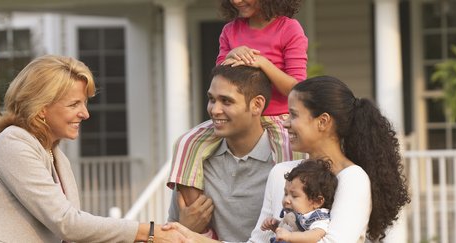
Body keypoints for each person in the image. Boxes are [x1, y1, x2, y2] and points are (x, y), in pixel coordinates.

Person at [164, 76, 410, 243]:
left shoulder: (352, 178)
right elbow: (258, 241)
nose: (285, 122)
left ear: (322, 121)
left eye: (293, 114)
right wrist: (188, 236)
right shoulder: (282, 172)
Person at [0, 55, 188, 243]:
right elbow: (67, 223)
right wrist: (148, 232)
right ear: (41, 108)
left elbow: (73, 231)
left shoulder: (56, 156)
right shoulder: (12, 144)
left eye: (84, 103)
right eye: (74, 104)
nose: (85, 113)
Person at [168, 0, 308, 225]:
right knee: (186, 143)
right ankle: (202, 227)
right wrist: (232, 54)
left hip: (279, 119)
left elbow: (298, 90)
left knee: (294, 162)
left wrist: (262, 62)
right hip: (236, 114)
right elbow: (221, 76)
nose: (236, 0)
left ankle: (287, 225)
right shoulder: (230, 31)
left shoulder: (289, 29)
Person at [168, 64, 289, 242]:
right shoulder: (195, 162)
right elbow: (170, 232)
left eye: (226, 101)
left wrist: (188, 234)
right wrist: (185, 228)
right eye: (211, 99)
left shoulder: (285, 165)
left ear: (257, 105)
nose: (214, 110)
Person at [260, 159, 338, 243]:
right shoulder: (292, 214)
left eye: (294, 196)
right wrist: (276, 227)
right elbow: (288, 231)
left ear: (317, 201)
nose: (286, 200)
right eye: (286, 194)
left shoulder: (317, 218)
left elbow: (315, 235)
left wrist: (290, 236)